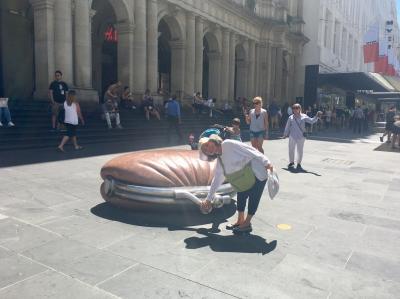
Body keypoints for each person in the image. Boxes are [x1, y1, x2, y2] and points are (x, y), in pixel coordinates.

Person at [198, 134, 274, 234]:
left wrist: (266, 162)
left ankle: (247, 223)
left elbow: (250, 150)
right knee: (241, 195)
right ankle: (240, 220)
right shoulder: (219, 158)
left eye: (207, 145)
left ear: (213, 141)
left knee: (253, 198)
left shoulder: (227, 144)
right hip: (244, 177)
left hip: (257, 172)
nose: (208, 149)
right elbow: (217, 179)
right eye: (205, 150)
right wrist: (208, 199)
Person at [283, 103, 322, 171]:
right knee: (291, 149)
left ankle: (299, 163)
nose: (295, 109)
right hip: (292, 135)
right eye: (294, 108)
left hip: (301, 136)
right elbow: (287, 126)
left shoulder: (304, 116)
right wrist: (285, 134)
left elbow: (311, 121)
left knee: (300, 150)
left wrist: (317, 116)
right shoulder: (291, 117)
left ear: (300, 109)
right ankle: (291, 162)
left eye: (297, 108)